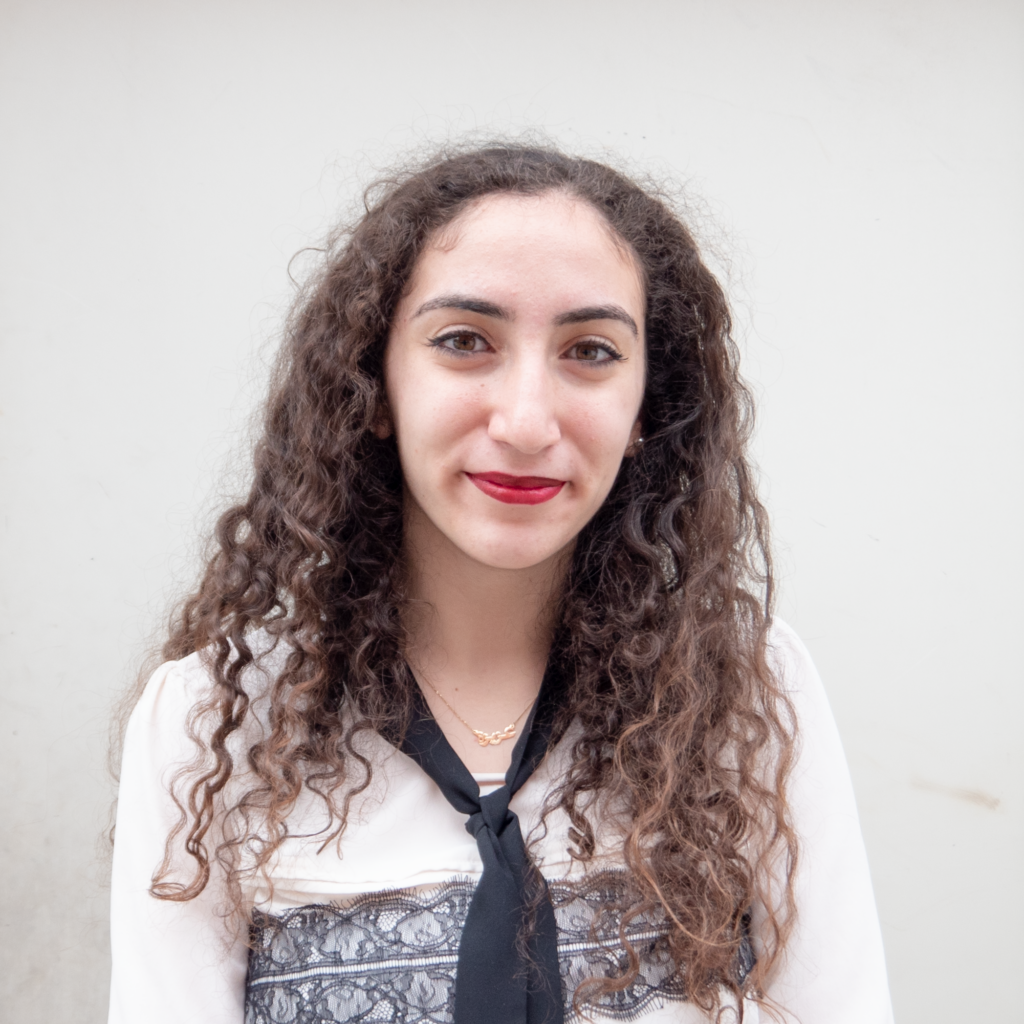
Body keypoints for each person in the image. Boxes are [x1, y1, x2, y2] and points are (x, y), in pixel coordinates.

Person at [108, 144, 893, 1024]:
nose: (525, 422)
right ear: (374, 387)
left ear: (646, 408)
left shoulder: (749, 691)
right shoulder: (212, 721)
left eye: (591, 351)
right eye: (464, 342)